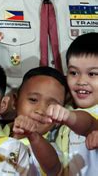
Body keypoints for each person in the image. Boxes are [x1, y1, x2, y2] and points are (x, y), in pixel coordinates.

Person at [48, 32, 98, 175]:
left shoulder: (66, 113)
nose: (81, 82)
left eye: (93, 74)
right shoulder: (64, 107)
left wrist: (68, 116)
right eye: (74, 73)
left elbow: (88, 123)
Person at [9, 67, 66, 175]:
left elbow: (54, 169)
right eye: (33, 100)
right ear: (15, 101)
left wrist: (32, 135)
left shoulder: (51, 150)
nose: (40, 110)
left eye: (52, 105)